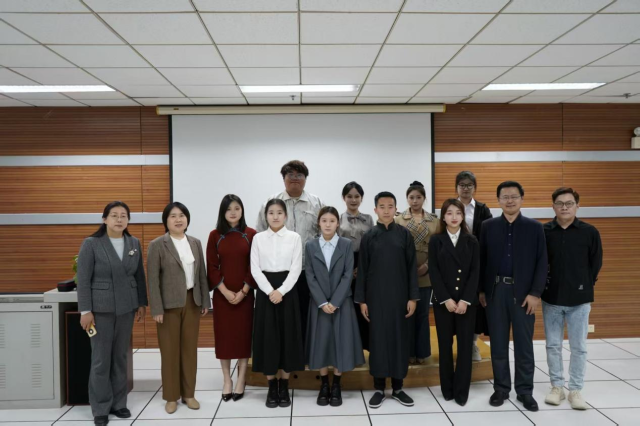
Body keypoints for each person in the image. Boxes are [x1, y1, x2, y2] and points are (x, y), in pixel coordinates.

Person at [76, 201, 148, 426]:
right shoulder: (91, 244)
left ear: (128, 220)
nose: (119, 219)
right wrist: (85, 310)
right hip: (100, 310)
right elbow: (83, 280)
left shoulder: (133, 243)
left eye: (123, 215)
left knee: (120, 357)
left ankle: (119, 403)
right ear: (104, 219)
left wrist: (142, 303)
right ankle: (100, 408)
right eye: (114, 215)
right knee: (100, 359)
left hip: (127, 307)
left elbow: (139, 275)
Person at [479, 181, 548, 412]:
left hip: (524, 294)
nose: (510, 201)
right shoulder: (488, 226)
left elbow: (542, 262)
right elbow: (482, 261)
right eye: (505, 197)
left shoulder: (535, 227)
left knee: (524, 345)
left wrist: (535, 293)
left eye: (514, 196)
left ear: (521, 199)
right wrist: (482, 290)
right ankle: (501, 388)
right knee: (498, 344)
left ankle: (525, 391)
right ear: (498, 200)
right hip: (495, 292)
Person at [355, 191, 419, 409]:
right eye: (381, 206)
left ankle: (398, 388)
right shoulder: (369, 236)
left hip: (400, 297)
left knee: (399, 340)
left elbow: (411, 268)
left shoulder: (404, 235)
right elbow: (362, 270)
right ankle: (379, 388)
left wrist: (413, 297)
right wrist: (362, 300)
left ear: (396, 209)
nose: (386, 210)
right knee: (378, 341)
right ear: (375, 210)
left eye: (390, 206)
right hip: (375, 298)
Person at [147, 202, 211, 414]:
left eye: (182, 215)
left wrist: (205, 301)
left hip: (192, 302)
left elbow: (201, 274)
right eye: (173, 216)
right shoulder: (157, 245)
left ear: (187, 219)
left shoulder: (195, 243)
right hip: (168, 306)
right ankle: (171, 396)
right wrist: (156, 308)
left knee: (189, 351)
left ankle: (189, 394)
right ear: (166, 221)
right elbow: (152, 280)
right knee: (170, 352)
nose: (178, 219)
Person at [542, 188, 603, 410]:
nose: (564, 207)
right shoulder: (544, 231)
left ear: (577, 205)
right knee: (553, 345)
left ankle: (575, 389)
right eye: (560, 203)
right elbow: (539, 262)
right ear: (553, 206)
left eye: (569, 203)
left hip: (579, 300)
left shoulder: (589, 232)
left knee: (579, 347)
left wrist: (583, 283)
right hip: (551, 298)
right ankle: (557, 386)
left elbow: (595, 263)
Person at [256, 160, 324, 348]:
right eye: (290, 175)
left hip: (307, 269)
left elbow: (324, 234)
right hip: (278, 271)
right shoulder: (271, 202)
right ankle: (280, 352)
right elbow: (261, 233)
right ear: (283, 178)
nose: (295, 179)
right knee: (279, 315)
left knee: (304, 311)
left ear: (305, 179)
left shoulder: (316, 203)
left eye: (299, 175)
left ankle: (303, 352)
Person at [306, 206, 365, 407]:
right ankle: (324, 384)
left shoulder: (346, 244)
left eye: (332, 221)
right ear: (319, 223)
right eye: (324, 221)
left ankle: (337, 384)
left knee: (341, 341)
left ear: (338, 223)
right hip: (319, 303)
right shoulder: (311, 245)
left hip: (342, 302)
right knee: (321, 342)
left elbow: (348, 275)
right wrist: (323, 302)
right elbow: (310, 276)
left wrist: (335, 302)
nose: (328, 224)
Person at [251, 199, 304, 408]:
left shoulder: (294, 237)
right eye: (271, 212)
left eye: (279, 212)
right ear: (266, 216)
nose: (275, 216)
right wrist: (269, 291)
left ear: (286, 216)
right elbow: (255, 268)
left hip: (287, 291)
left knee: (287, 337)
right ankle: (272, 386)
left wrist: (281, 291)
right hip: (265, 292)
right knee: (268, 338)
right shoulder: (258, 238)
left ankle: (284, 385)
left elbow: (296, 268)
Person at [429, 199, 480, 406]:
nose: (454, 217)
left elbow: (475, 272)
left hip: (466, 303)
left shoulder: (472, 240)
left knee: (465, 347)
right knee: (445, 345)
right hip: (444, 302)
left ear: (463, 216)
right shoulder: (436, 240)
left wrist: (465, 301)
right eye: (449, 213)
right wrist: (446, 299)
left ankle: (461, 391)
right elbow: (434, 271)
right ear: (443, 217)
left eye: (458, 213)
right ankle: (447, 388)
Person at [207, 195, 257, 402]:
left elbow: (254, 265)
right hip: (222, 296)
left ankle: (241, 379)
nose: (233, 212)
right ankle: (227, 380)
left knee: (243, 337)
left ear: (242, 210)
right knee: (225, 338)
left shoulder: (251, 234)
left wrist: (244, 291)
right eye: (229, 209)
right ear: (223, 212)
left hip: (245, 295)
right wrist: (225, 291)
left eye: (237, 208)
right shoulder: (215, 235)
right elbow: (212, 267)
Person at [395, 181, 439, 364]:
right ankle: (408, 353)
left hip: (426, 274)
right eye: (411, 197)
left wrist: (427, 265)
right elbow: (395, 248)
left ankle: (422, 353)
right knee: (406, 315)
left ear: (424, 198)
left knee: (422, 315)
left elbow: (438, 248)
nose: (415, 201)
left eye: (418, 197)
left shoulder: (434, 220)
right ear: (407, 198)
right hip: (405, 273)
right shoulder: (398, 220)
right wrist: (408, 267)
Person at [456, 171, 493, 361]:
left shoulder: (482, 209)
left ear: (474, 187)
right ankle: (460, 343)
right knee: (456, 302)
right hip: (454, 262)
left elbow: (489, 236)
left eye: (469, 185)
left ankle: (472, 344)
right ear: (456, 187)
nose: (465, 188)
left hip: (476, 262)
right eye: (462, 185)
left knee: (476, 305)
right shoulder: (450, 206)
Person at [338, 181, 374, 351]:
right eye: (349, 196)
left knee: (365, 305)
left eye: (357, 196)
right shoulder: (338, 218)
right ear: (343, 198)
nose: (353, 200)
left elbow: (373, 243)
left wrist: (363, 267)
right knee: (349, 307)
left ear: (362, 198)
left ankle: (367, 345)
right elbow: (336, 246)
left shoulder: (369, 218)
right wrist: (347, 269)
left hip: (365, 262)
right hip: (344, 263)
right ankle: (352, 349)